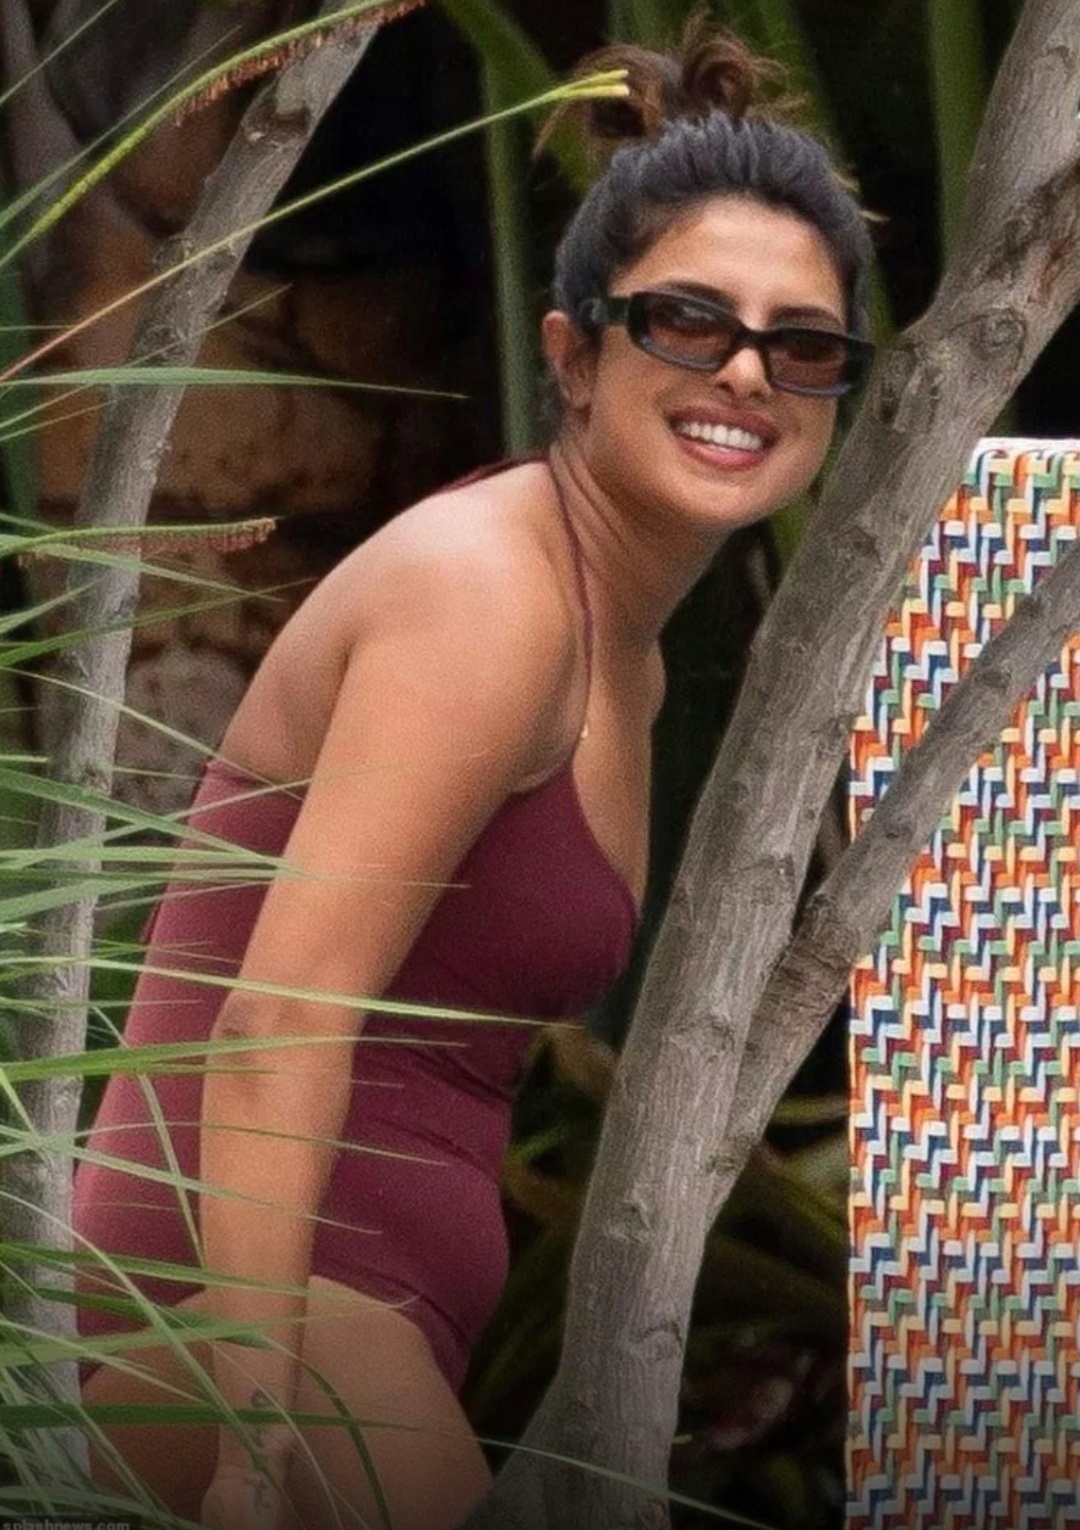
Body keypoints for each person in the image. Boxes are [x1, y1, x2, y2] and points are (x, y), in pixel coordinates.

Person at [73, 16, 874, 1530]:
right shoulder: (487, 593)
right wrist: (253, 1434)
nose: (746, 372)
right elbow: (277, 1015)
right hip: (258, 1333)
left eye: (804, 344)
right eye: (687, 322)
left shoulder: (617, 647)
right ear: (571, 353)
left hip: (363, 1330)